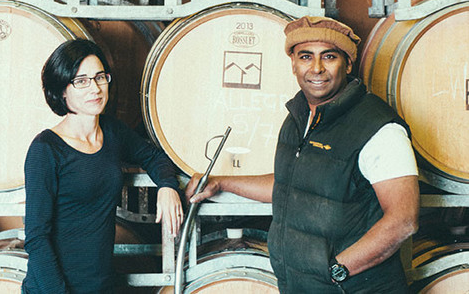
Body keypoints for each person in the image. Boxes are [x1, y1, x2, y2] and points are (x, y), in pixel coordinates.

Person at [186, 16, 419, 293]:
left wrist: (337, 270)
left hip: (351, 287)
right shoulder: (299, 118)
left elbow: (403, 220)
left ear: (347, 63)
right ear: (293, 64)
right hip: (303, 284)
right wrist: (222, 182)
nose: (317, 68)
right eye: (306, 57)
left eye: (329, 57)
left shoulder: (379, 128)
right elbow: (290, 184)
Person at [22, 39, 183, 294]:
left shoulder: (112, 132)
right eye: (81, 81)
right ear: (62, 90)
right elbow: (37, 237)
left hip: (102, 285)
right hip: (55, 289)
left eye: (100, 77)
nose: (95, 88)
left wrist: (167, 187)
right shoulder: (46, 149)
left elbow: (154, 157)